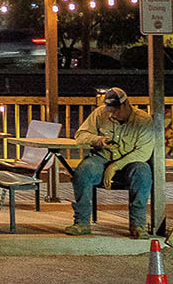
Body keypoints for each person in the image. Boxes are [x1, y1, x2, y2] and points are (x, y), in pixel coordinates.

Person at [64, 86, 157, 238]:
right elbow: (80, 135)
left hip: (130, 163)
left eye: (115, 111)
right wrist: (97, 140)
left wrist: (115, 166)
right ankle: (81, 222)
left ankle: (138, 225)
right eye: (109, 111)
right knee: (83, 171)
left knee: (143, 172)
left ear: (126, 105)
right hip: (102, 159)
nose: (112, 115)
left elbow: (143, 152)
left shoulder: (143, 120)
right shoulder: (99, 114)